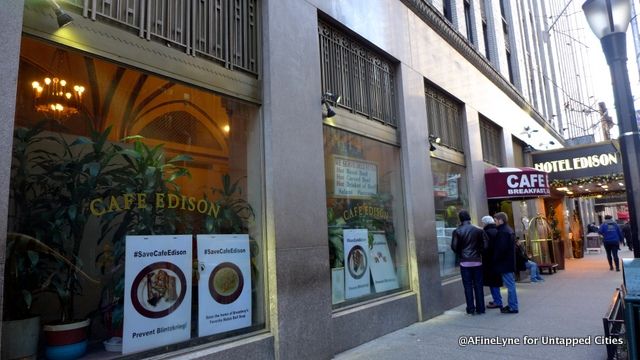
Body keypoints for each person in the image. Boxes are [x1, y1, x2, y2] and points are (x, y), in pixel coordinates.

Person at [451, 210, 488, 315]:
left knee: (467, 286)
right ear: (469, 218)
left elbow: (454, 247)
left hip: (465, 262)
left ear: (460, 219)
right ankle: (481, 308)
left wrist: (461, 253)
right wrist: (478, 252)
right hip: (477, 261)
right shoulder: (479, 230)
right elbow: (486, 245)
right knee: (478, 285)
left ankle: (470, 308)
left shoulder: (457, 231)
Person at [491, 212, 519, 314]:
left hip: (505, 263)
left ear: (500, 220)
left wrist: (495, 259)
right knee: (510, 284)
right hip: (508, 262)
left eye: (495, 220)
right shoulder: (508, 230)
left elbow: (500, 249)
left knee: (510, 285)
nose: (494, 223)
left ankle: (513, 307)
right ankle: (512, 305)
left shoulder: (503, 232)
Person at [480, 215, 503, 310]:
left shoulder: (486, 232)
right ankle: (497, 299)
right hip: (496, 260)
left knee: (492, 282)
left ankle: (497, 301)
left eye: (483, 223)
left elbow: (485, 247)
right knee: (495, 281)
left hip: (489, 261)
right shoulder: (497, 231)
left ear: (485, 223)